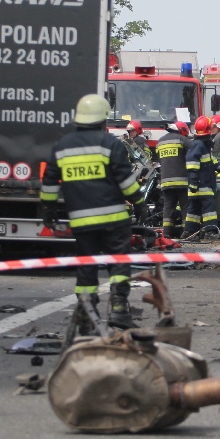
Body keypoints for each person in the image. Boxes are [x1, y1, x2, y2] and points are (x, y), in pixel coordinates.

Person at [41, 94, 144, 330]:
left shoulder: (62, 146)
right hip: (114, 219)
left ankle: (87, 310)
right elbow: (125, 181)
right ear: (102, 119)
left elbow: (49, 182)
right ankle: (118, 307)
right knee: (118, 262)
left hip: (82, 220)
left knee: (86, 265)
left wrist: (47, 208)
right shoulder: (110, 144)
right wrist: (138, 202)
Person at [182, 116, 218, 238]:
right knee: (209, 210)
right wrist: (193, 182)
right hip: (202, 185)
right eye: (211, 127)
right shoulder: (198, 145)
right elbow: (192, 164)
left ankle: (189, 232)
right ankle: (210, 232)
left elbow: (211, 161)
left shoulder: (203, 145)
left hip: (198, 186)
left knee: (194, 211)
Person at [156, 121, 192, 238]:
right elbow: (194, 152)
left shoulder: (160, 142)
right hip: (182, 181)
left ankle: (166, 233)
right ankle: (186, 232)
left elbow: (160, 160)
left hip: (165, 181)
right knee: (185, 206)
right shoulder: (182, 140)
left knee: (168, 207)